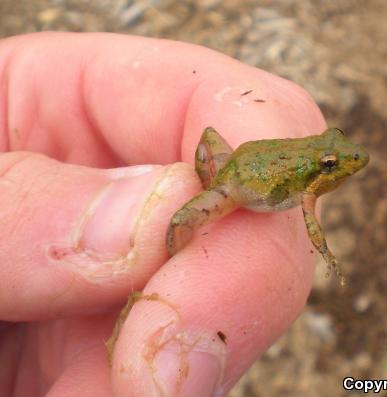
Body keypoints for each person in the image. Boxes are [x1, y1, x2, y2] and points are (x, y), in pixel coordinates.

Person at [0, 32, 325, 397]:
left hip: (234, 171)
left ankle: (172, 264)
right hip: (235, 185)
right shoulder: (300, 189)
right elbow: (308, 222)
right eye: (329, 164)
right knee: (180, 224)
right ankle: (177, 253)